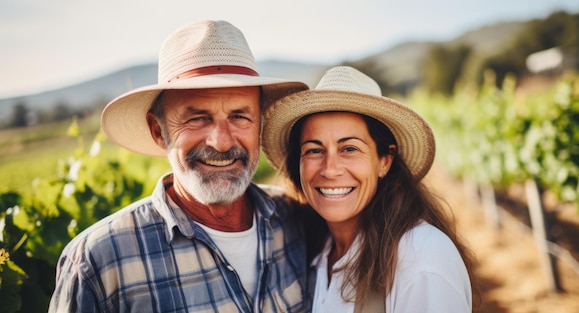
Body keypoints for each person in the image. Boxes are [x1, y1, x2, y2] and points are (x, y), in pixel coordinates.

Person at [48, 20, 312, 313]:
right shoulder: (98, 262)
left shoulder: (296, 218)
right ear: (158, 131)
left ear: (259, 125)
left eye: (240, 117)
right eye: (197, 118)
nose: (222, 142)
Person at [261, 66, 478, 312]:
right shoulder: (312, 251)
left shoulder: (421, 257)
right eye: (314, 150)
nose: (330, 170)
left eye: (350, 149)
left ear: (384, 161)